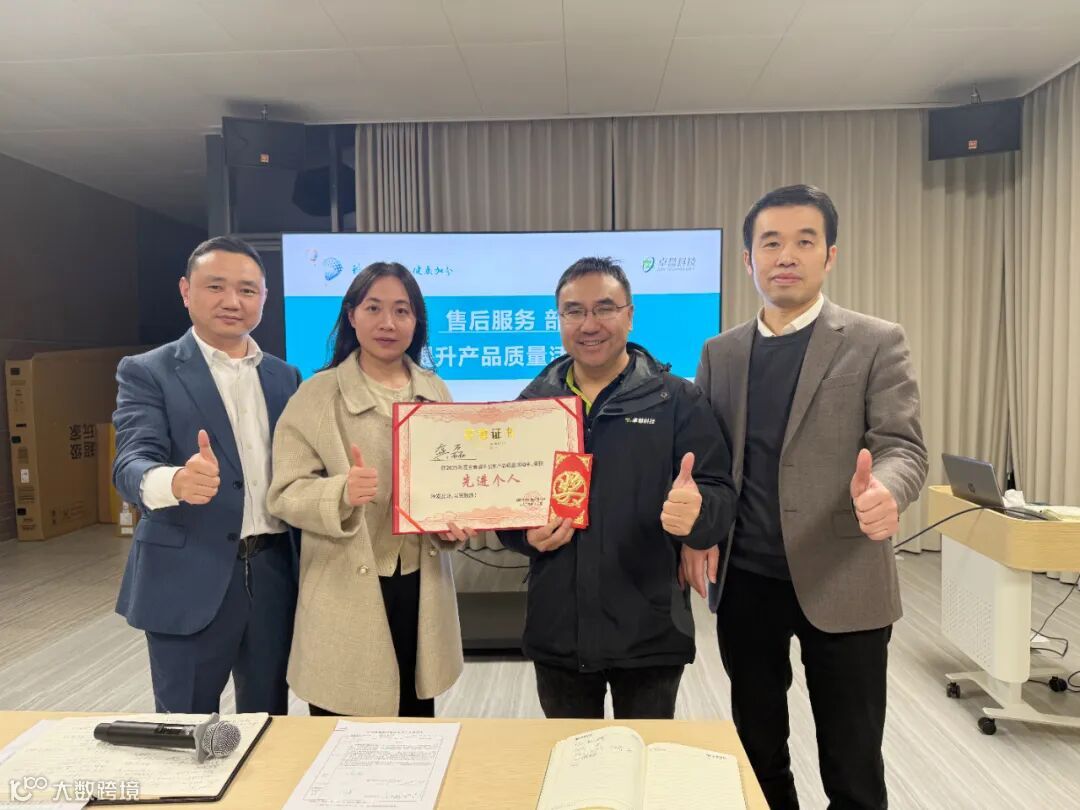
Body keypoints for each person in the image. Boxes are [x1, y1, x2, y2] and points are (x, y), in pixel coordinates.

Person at [683, 185, 928, 809]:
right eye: (771, 243)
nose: (786, 256)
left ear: (829, 255)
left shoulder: (875, 340)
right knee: (758, 749)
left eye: (804, 241)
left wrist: (887, 490)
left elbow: (903, 447)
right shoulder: (719, 353)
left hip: (845, 574)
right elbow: (711, 465)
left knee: (852, 761)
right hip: (747, 582)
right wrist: (699, 530)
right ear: (749, 259)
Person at [497, 257, 738, 719]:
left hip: (650, 630)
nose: (589, 324)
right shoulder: (532, 405)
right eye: (574, 311)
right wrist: (524, 536)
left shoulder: (676, 399)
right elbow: (506, 505)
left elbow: (718, 492)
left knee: (644, 757)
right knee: (569, 757)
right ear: (559, 319)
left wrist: (699, 514)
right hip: (558, 631)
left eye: (604, 308)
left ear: (629, 315)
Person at [267, 262, 471, 717]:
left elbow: (449, 483)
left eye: (402, 310)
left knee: (415, 724)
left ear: (416, 321)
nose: (388, 323)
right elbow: (284, 493)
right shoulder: (318, 395)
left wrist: (452, 523)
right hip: (345, 585)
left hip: (420, 584)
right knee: (345, 728)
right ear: (351, 315)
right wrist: (340, 493)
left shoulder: (435, 391)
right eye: (374, 308)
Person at [113, 236, 302, 714]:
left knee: (268, 717)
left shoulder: (285, 377)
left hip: (273, 571)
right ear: (186, 291)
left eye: (247, 290)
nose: (232, 301)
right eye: (216, 286)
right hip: (188, 573)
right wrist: (174, 481)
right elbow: (130, 461)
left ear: (263, 297)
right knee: (186, 723)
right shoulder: (148, 371)